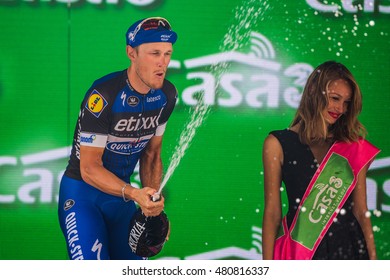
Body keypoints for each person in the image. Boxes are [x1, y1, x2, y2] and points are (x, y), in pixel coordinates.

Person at [58, 17, 178, 260]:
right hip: (82, 196)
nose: (162, 63)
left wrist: (151, 207)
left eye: (167, 53)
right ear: (131, 53)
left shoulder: (167, 94)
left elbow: (152, 155)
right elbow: (89, 168)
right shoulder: (104, 95)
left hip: (121, 198)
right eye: (154, 53)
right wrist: (135, 194)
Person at [261, 61, 380, 260]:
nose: (340, 108)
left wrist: (374, 262)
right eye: (335, 98)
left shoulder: (352, 146)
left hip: (350, 250)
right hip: (302, 253)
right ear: (314, 92)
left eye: (346, 102)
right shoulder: (277, 143)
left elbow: (360, 211)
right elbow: (272, 212)